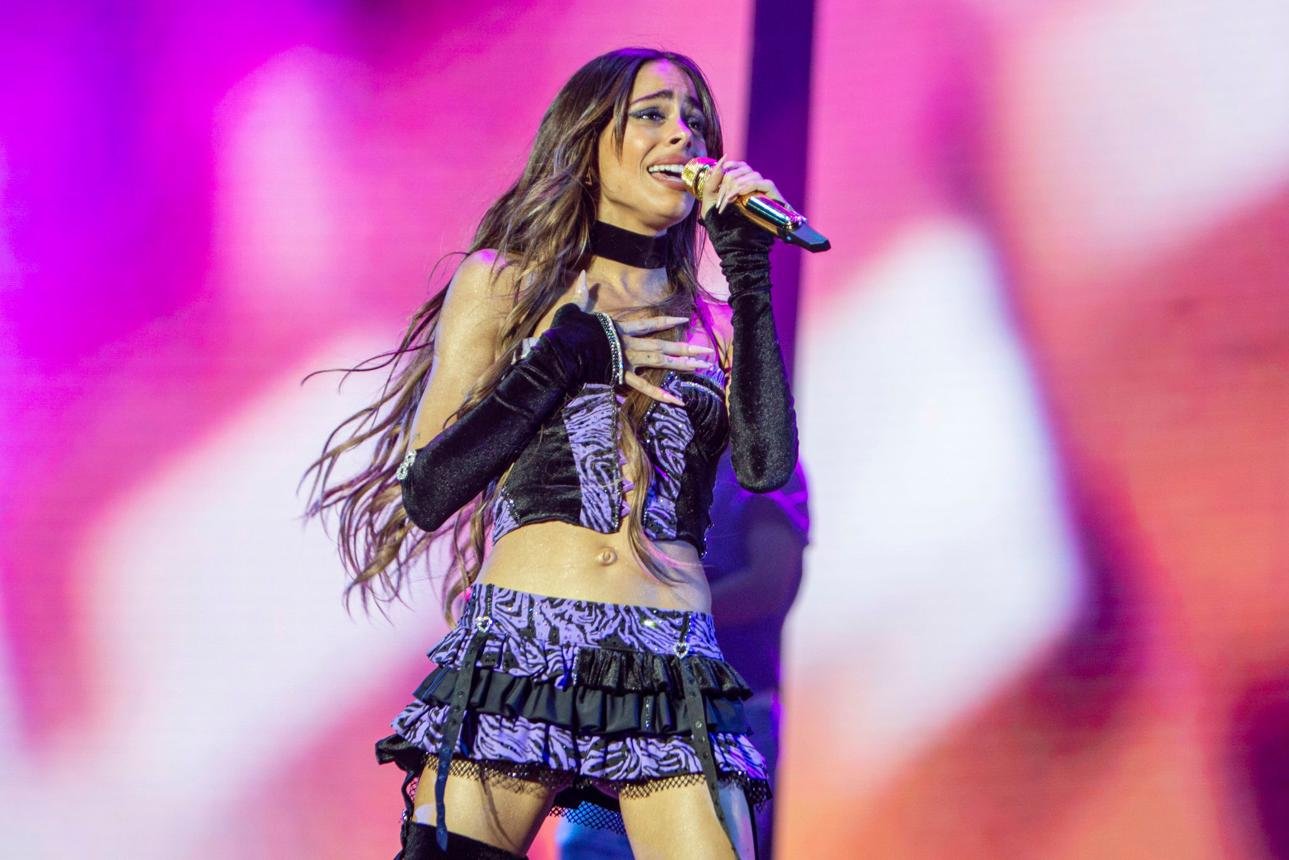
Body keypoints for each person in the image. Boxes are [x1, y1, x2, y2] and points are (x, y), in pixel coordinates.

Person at [304, 47, 798, 860]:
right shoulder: (506, 284)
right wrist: (558, 361)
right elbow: (428, 489)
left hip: (666, 658)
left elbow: (765, 465)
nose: (683, 135)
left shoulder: (712, 323)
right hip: (527, 642)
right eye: (652, 114)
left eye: (695, 120)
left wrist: (747, 272)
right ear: (588, 140)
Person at [555, 452, 810, 859]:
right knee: (590, 847)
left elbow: (768, 584)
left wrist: (657, 619)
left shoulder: (758, 459)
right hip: (624, 711)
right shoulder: (642, 455)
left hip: (725, 713)